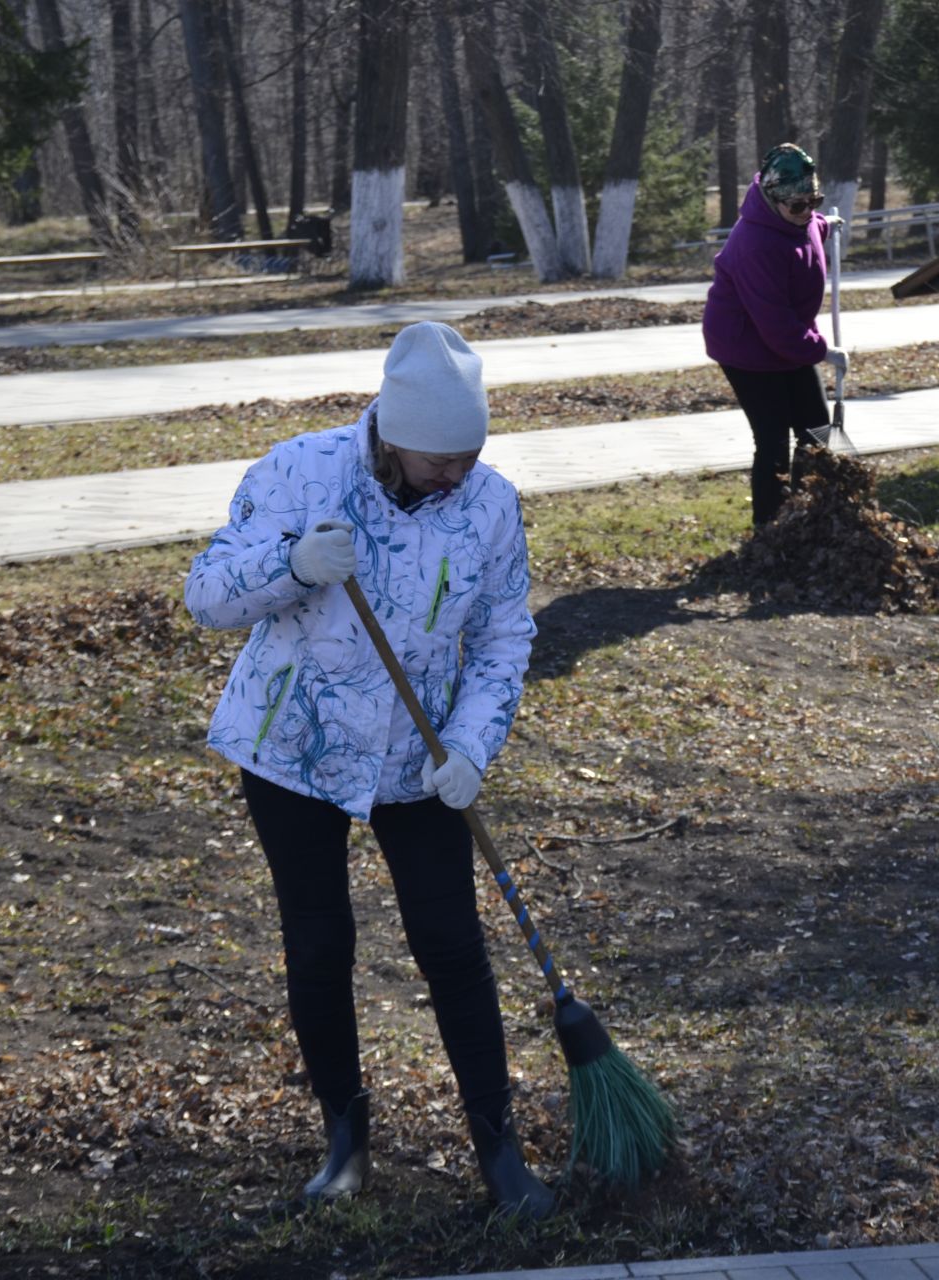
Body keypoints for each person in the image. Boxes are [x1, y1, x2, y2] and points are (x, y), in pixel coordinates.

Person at [183, 321, 554, 1219]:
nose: (454, 475)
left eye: (469, 455)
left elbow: (505, 635)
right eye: (438, 460)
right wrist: (292, 566)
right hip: (293, 749)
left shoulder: (489, 503)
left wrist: (472, 744)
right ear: (390, 431)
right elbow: (206, 595)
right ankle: (345, 1138)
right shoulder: (300, 473)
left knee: (453, 947)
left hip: (419, 757)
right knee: (320, 945)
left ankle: (497, 1147)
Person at [702, 142, 848, 527]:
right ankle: (769, 532)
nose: (807, 212)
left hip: (787, 338)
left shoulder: (798, 218)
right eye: (797, 206)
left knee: (816, 430)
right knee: (773, 440)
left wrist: (824, 224)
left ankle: (809, 517)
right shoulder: (755, 244)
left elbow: (807, 225)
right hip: (745, 346)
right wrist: (822, 351)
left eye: (813, 200)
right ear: (771, 199)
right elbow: (775, 323)